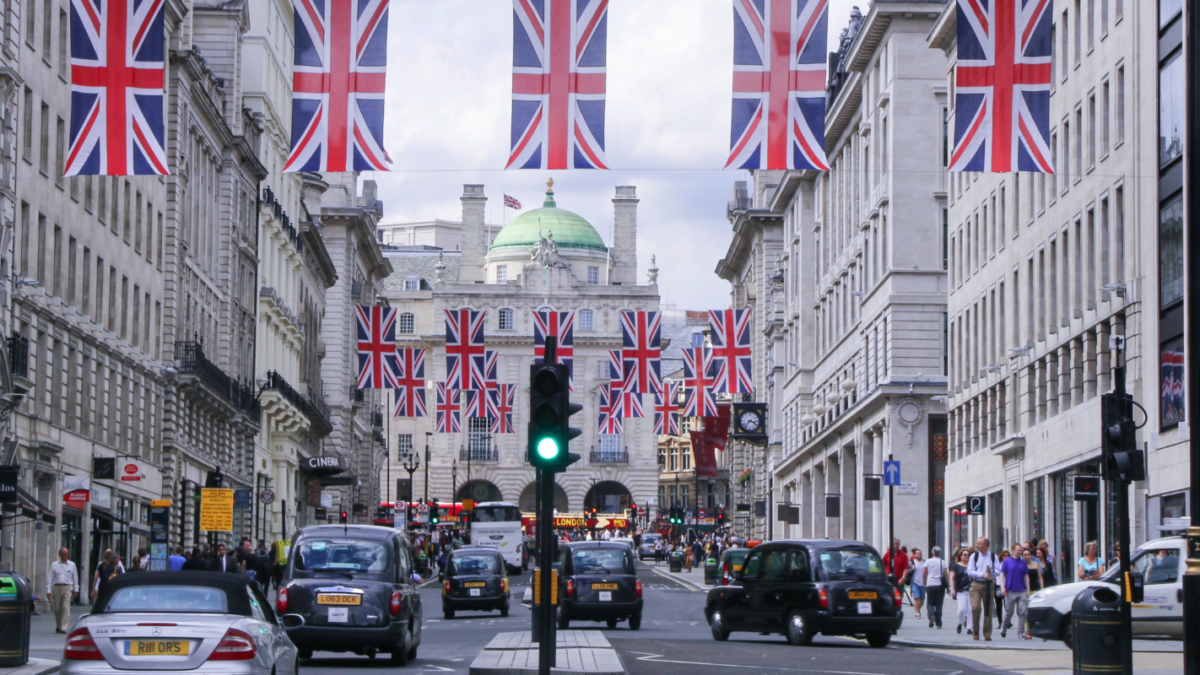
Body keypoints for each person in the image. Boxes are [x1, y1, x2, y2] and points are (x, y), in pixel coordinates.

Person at [966, 537, 1002, 641]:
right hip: (976, 585)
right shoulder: (974, 556)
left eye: (979, 544)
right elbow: (970, 571)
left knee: (988, 610)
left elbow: (998, 571)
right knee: (976, 608)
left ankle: (987, 633)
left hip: (988, 585)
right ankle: (976, 631)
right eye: (977, 544)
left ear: (986, 545)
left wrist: (991, 571)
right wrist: (982, 574)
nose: (977, 546)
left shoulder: (993, 556)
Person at [999, 546, 1031, 639]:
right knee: (1009, 612)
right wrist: (1002, 587)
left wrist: (1028, 590)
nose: (1020, 552)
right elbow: (1002, 575)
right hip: (1010, 590)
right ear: (1013, 550)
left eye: (1021, 550)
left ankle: (1020, 632)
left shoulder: (1023, 563)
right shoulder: (1006, 562)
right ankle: (1004, 627)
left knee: (1022, 612)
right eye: (1018, 550)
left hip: (1021, 590)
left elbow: (1026, 576)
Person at [47, 548, 79, 634]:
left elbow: (75, 577)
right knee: (57, 608)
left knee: (66, 607)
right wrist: (48, 590)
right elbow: (50, 577)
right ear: (60, 555)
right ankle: (59, 625)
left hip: (67, 587)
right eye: (65, 554)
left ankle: (63, 627)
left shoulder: (72, 565)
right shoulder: (54, 565)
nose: (66, 556)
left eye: (67, 554)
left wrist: (76, 589)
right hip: (57, 587)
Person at [922, 546, 948, 629]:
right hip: (940, 585)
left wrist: (925, 583)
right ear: (940, 553)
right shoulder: (942, 562)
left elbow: (924, 573)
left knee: (930, 603)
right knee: (939, 604)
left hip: (930, 584)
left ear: (932, 552)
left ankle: (931, 615)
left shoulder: (928, 561)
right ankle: (938, 623)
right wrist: (948, 585)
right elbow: (946, 574)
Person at [950, 548, 973, 634]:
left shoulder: (972, 566)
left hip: (971, 591)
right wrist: (952, 589)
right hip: (960, 590)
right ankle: (960, 622)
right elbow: (951, 578)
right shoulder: (956, 566)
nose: (966, 556)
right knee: (961, 609)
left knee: (971, 610)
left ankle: (969, 628)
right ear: (960, 556)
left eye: (968, 555)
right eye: (964, 555)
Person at [908, 549, 925, 620]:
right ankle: (917, 613)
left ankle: (917, 609)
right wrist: (912, 569)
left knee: (922, 600)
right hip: (915, 583)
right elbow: (907, 571)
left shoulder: (925, 562)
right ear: (915, 555)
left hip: (923, 583)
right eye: (918, 553)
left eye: (920, 553)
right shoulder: (912, 562)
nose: (919, 555)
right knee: (916, 597)